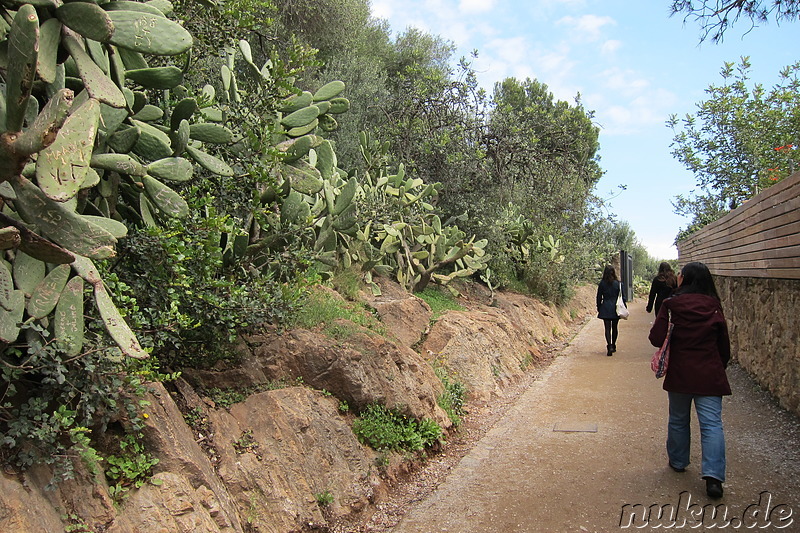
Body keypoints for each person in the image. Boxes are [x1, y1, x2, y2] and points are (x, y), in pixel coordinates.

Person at [648, 261, 731, 499]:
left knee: (678, 419)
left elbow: (656, 338)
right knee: (712, 425)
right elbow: (723, 344)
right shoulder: (714, 306)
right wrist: (719, 366)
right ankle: (714, 478)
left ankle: (678, 461)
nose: (679, 277)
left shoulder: (671, 305)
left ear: (686, 279)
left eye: (681, 274)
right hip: (709, 374)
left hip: (681, 373)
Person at [596, 265, 625, 356]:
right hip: (615, 308)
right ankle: (614, 345)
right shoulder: (618, 283)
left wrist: (599, 307)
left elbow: (599, 296)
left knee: (607, 328)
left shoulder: (602, 283)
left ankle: (609, 346)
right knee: (615, 327)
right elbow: (622, 297)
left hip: (605, 307)